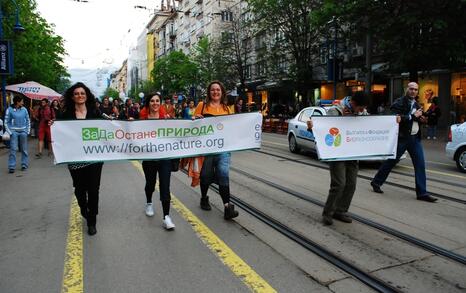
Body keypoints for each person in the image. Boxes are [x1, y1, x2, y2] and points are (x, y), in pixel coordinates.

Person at [307, 92, 369, 225]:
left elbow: (371, 125)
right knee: (339, 184)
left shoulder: (362, 113)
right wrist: (312, 127)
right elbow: (323, 130)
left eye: (364, 108)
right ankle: (328, 213)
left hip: (353, 153)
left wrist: (394, 121)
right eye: (360, 108)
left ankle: (340, 211)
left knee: (351, 184)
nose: (362, 111)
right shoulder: (335, 111)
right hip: (337, 152)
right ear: (352, 102)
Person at [371, 82, 437, 202]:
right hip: (402, 138)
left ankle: (422, 193)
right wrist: (412, 116)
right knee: (391, 161)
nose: (413, 91)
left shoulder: (417, 104)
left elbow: (416, 119)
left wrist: (422, 120)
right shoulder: (399, 102)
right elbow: (395, 118)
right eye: (411, 89)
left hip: (415, 138)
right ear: (407, 89)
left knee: (420, 165)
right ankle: (376, 182)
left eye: (416, 90)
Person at [61, 82, 104, 235]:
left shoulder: (95, 112)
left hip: (94, 157)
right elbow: (60, 133)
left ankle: (92, 221)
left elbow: (109, 127)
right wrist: (54, 125)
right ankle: (83, 208)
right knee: (80, 189)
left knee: (93, 189)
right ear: (72, 97)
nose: (80, 96)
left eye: (82, 93)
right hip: (75, 159)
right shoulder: (65, 115)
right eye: (77, 93)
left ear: (87, 96)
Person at [194, 81, 239, 220]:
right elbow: (192, 124)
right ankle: (203, 198)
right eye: (213, 90)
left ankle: (227, 207)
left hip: (223, 148)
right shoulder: (202, 106)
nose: (215, 92)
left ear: (222, 92)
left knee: (223, 175)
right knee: (206, 176)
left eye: (218, 90)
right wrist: (195, 119)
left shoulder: (227, 108)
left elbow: (232, 126)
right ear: (209, 92)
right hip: (206, 149)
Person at [140, 92, 175, 230]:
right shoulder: (142, 120)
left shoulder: (166, 118)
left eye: (157, 101)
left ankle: (166, 217)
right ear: (148, 103)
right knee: (150, 183)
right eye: (152, 101)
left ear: (160, 103)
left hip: (164, 158)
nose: (155, 103)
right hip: (149, 158)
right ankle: (149, 202)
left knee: (165, 186)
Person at [5, 96, 30, 173]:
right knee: (13, 149)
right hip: (14, 132)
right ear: (17, 102)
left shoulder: (24, 109)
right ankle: (11, 166)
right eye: (21, 101)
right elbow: (6, 122)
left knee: (24, 149)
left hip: (23, 132)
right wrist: (10, 132)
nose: (23, 103)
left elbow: (28, 120)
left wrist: (27, 131)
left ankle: (24, 164)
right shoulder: (9, 110)